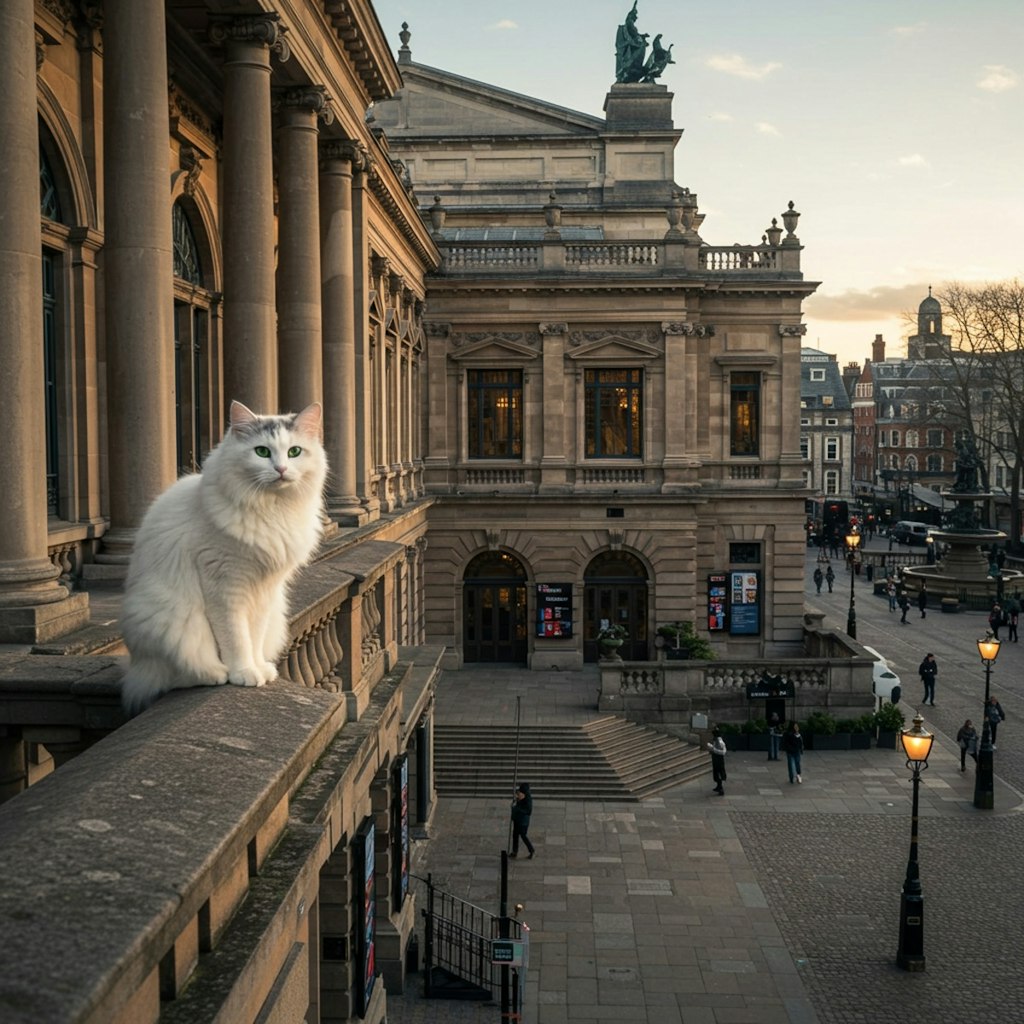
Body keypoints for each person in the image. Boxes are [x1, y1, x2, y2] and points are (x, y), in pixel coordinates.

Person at [509, 782, 535, 859]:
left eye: (521, 792)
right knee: (515, 835)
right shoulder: (521, 796)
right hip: (517, 819)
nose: (519, 793)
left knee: (523, 835)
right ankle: (514, 852)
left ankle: (531, 850)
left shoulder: (528, 800)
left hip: (523, 822)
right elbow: (518, 801)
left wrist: (516, 809)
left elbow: (528, 811)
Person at [707, 728, 727, 795]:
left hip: (719, 759)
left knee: (719, 773)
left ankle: (720, 788)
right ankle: (718, 786)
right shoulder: (716, 740)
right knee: (716, 772)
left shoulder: (720, 741)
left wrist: (713, 749)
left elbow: (723, 752)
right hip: (715, 758)